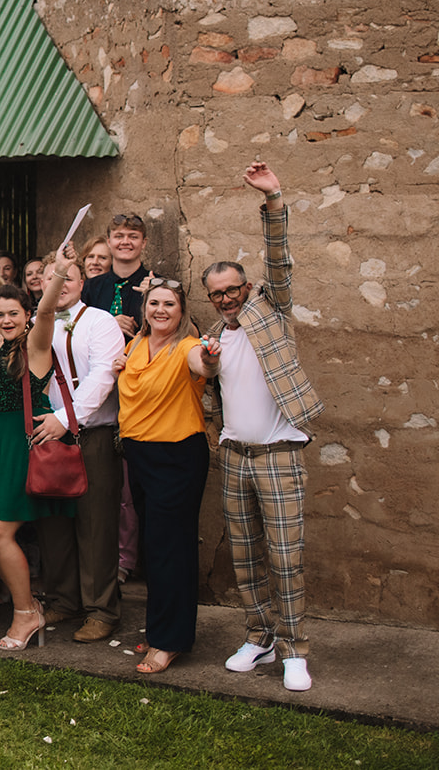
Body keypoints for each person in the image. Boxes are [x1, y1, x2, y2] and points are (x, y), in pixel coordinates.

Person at [198, 162, 321, 693]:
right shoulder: (211, 337)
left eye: (232, 289)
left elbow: (280, 258)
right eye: (217, 294)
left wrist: (273, 199)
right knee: (245, 557)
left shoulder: (272, 310)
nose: (226, 298)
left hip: (279, 453)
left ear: (246, 287)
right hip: (236, 456)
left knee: (286, 558)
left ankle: (296, 650)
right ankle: (260, 636)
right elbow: (210, 394)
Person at [0, 243, 75, 653]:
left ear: (27, 314)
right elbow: (4, 402)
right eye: (0, 314)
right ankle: (28, 606)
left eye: (15, 312)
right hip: (4, 441)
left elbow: (48, 311)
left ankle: (27, 612)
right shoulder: (3, 349)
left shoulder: (35, 343)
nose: (7, 319)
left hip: (26, 441)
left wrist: (61, 273)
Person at [112, 276, 209, 675]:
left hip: (176, 458)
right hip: (141, 456)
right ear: (144, 309)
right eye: (154, 304)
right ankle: (162, 630)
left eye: (169, 304)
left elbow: (204, 364)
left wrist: (212, 359)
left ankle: (169, 642)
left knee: (171, 548)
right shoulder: (136, 345)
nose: (161, 310)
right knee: (156, 547)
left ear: (182, 312)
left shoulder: (188, 347)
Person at [32, 253, 127, 644]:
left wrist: (65, 419)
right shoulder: (37, 323)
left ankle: (102, 609)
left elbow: (103, 376)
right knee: (53, 523)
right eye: (53, 278)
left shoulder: (101, 322)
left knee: (95, 526)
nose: (62, 284)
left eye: (68, 277)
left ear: (82, 281)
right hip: (45, 437)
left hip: (92, 436)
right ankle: (63, 599)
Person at [82, 213, 150, 338]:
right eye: (119, 236)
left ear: (144, 242)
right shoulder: (89, 287)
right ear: (109, 241)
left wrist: (156, 296)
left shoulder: (158, 284)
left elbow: (189, 333)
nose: (125, 242)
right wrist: (109, 324)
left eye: (133, 237)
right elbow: (71, 329)